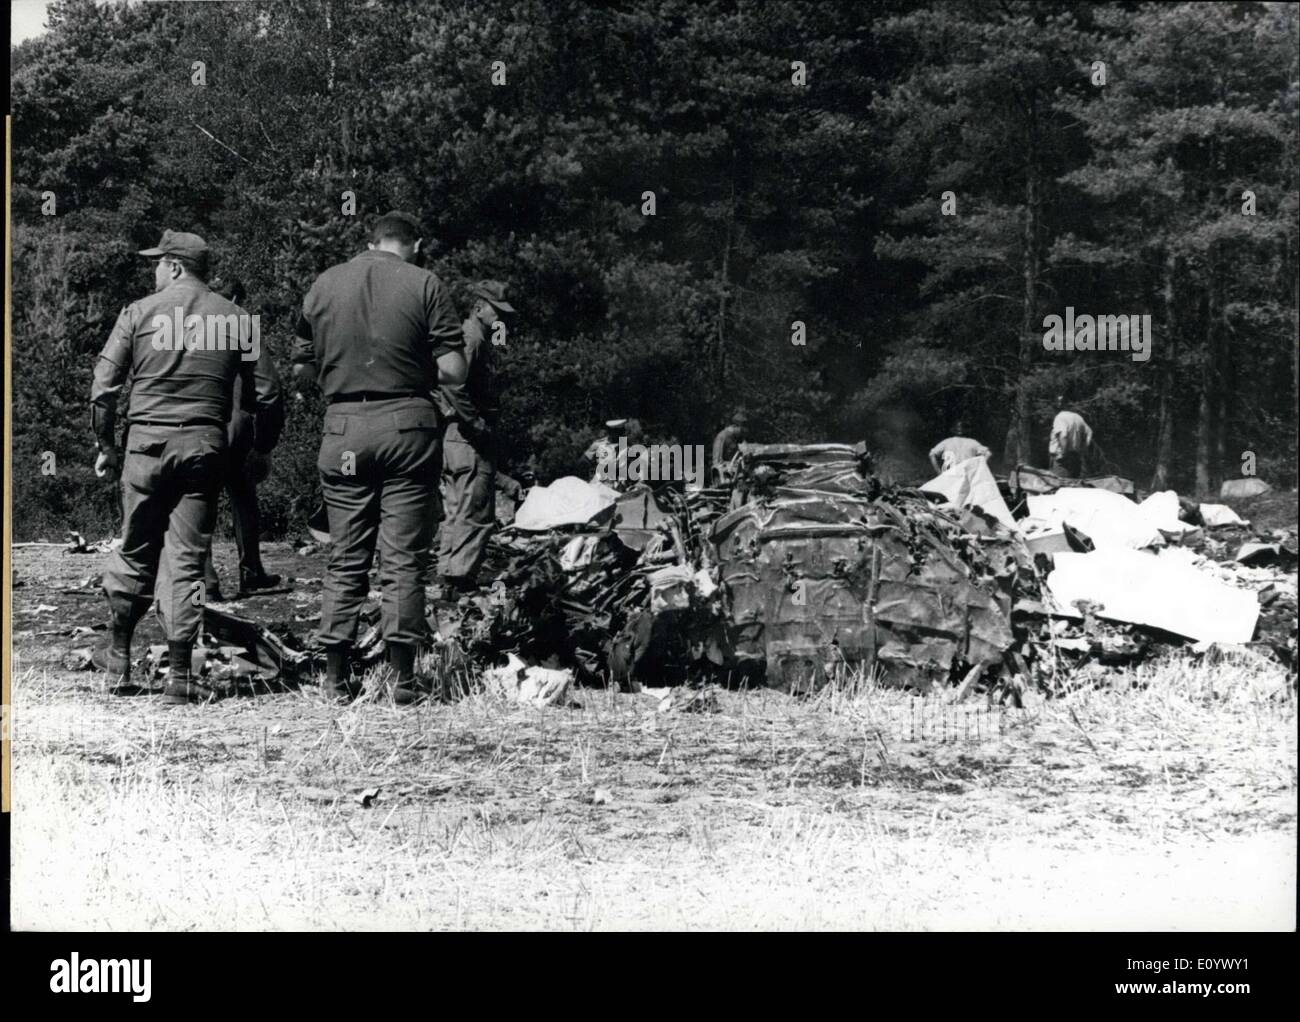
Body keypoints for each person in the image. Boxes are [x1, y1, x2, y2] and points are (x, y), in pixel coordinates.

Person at [90, 230, 283, 704]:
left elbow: (103, 386)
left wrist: (106, 445)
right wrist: (260, 449)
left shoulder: (138, 312)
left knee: (135, 548)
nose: (154, 271)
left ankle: (118, 658)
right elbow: (269, 394)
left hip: (145, 445)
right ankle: (180, 676)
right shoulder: (238, 320)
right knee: (187, 556)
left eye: (158, 263)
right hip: (203, 447)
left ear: (174, 266)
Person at [291, 210, 466, 705]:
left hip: (345, 428)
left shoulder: (324, 283)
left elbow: (302, 369)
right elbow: (453, 370)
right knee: (403, 558)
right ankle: (405, 681)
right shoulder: (425, 282)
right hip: (407, 427)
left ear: (370, 242)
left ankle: (334, 679)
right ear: (414, 244)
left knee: (346, 557)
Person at [201, 277, 283, 600]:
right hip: (237, 423)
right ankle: (250, 571)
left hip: (199, 423)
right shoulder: (241, 321)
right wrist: (265, 443)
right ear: (236, 296)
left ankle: (206, 580)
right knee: (244, 496)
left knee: (201, 498)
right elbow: (270, 390)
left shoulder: (186, 321)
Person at [434, 280, 514, 594]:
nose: (502, 318)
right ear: (479, 307)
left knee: (457, 507)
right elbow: (452, 384)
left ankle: (449, 575)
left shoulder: (471, 336)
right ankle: (460, 578)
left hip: (455, 435)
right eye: (497, 310)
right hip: (467, 435)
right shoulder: (472, 337)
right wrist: (476, 423)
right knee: (477, 509)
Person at [1049, 396, 1093, 479]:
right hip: (1076, 457)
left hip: (1062, 459)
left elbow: (1063, 436)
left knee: (1060, 486)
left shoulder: (1060, 417)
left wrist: (1063, 454)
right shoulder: (1078, 418)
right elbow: (1089, 432)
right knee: (1073, 486)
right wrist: (1084, 449)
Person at [584, 418, 627, 488]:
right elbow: (583, 462)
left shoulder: (626, 447)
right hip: (599, 485)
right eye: (618, 432)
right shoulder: (598, 445)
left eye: (622, 432)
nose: (622, 434)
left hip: (618, 487)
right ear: (610, 432)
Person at [711, 409, 748, 486]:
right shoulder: (723, 437)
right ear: (736, 426)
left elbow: (744, 452)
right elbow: (717, 462)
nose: (745, 432)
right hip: (727, 478)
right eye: (743, 429)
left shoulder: (736, 438)